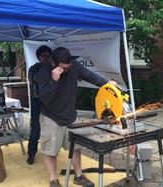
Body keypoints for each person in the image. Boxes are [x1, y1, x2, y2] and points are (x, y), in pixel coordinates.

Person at [38, 47, 117, 187]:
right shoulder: (43, 72)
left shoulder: (73, 65)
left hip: (70, 115)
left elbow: (90, 76)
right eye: (64, 69)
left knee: (75, 147)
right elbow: (44, 99)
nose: (67, 70)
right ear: (53, 63)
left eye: (68, 67)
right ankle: (53, 179)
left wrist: (106, 84)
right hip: (51, 117)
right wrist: (54, 80)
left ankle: (79, 176)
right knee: (50, 150)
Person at [26, 45, 52, 165]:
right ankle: (31, 153)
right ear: (38, 57)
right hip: (37, 101)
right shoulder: (33, 68)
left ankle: (51, 152)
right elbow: (35, 79)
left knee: (51, 127)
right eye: (44, 56)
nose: (46, 58)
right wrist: (47, 71)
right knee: (36, 128)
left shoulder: (53, 68)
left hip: (50, 102)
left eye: (48, 56)